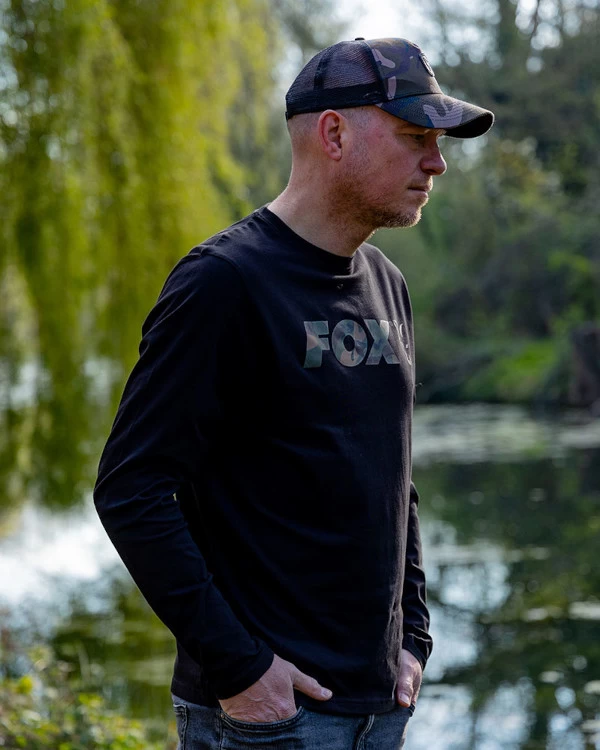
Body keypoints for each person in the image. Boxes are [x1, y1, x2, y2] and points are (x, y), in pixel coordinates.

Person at [94, 37, 493, 749]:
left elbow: (392, 478)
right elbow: (131, 491)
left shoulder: (387, 283)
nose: (437, 162)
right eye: (415, 138)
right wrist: (241, 669)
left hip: (381, 708)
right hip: (272, 720)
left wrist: (414, 637)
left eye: (438, 143)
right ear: (334, 134)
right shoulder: (223, 283)